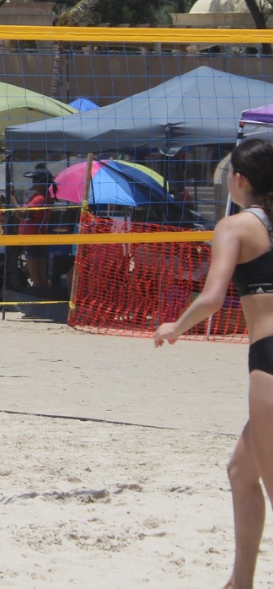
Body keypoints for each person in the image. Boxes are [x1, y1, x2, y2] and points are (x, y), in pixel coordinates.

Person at [155, 137, 273, 589]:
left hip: (269, 358)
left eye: (228, 173)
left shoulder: (235, 226)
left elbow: (211, 298)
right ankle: (239, 582)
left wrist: (175, 328)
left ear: (240, 179)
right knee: (242, 470)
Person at [19, 171, 54, 291]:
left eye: (36, 181)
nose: (33, 183)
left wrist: (12, 199)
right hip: (36, 238)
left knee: (36, 277)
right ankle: (46, 300)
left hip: (33, 239)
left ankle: (41, 303)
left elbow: (23, 213)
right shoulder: (43, 197)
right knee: (41, 276)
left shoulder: (40, 198)